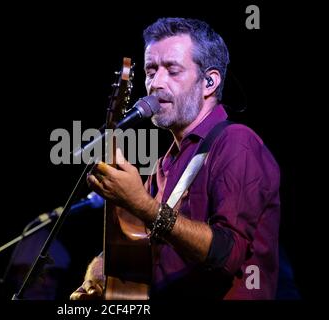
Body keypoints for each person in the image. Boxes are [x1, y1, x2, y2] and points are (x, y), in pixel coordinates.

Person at [70, 17, 280, 300]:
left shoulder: (236, 141)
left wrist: (143, 205)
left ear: (209, 82)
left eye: (172, 70)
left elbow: (226, 253)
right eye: (151, 70)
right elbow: (133, 239)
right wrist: (98, 269)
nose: (156, 83)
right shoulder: (165, 163)